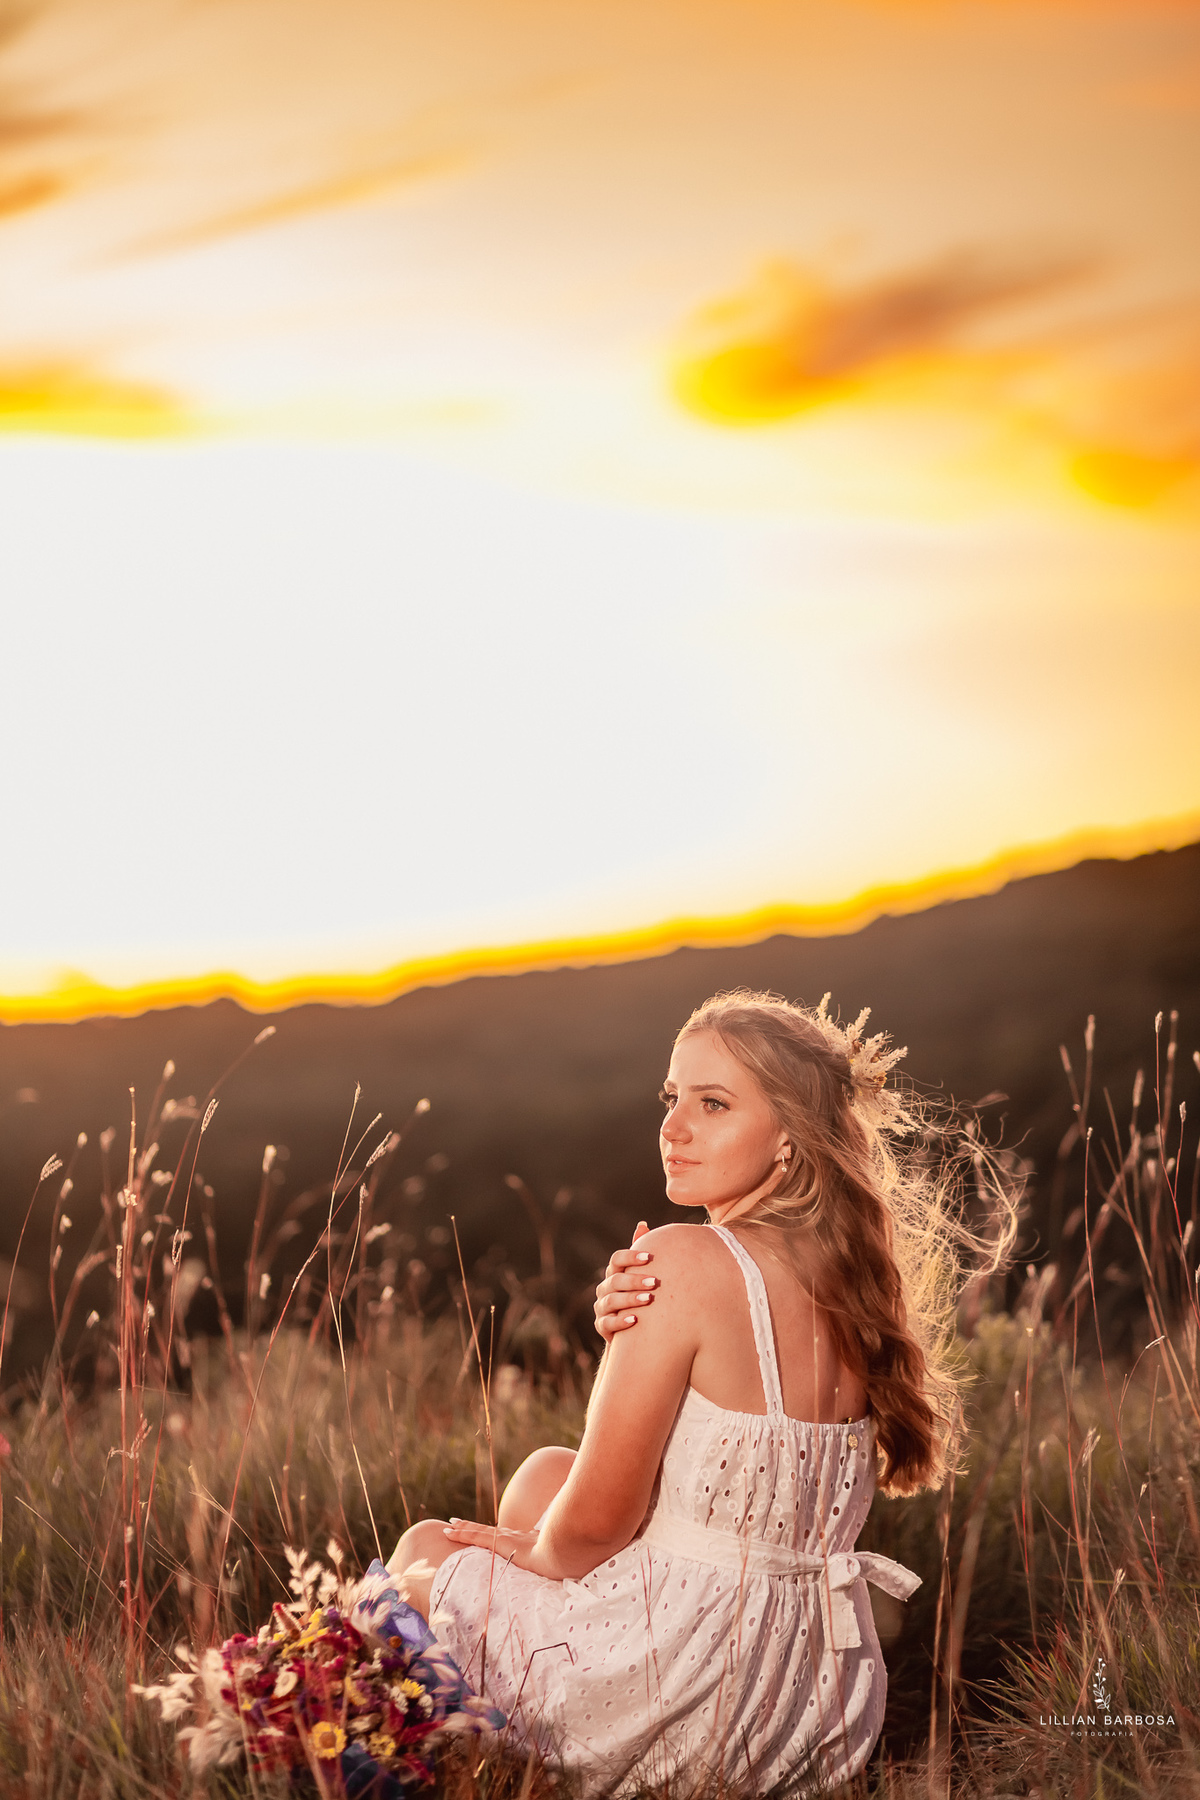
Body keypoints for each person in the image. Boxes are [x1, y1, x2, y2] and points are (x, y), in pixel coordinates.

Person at [387, 990, 1004, 1795]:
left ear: (789, 1136)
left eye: (712, 1104)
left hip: (692, 1689)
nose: (673, 1127)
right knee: (542, 1476)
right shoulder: (851, 1282)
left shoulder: (683, 1262)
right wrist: (630, 1343)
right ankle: (519, 1743)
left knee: (425, 1551)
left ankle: (441, 1757)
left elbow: (592, 1531)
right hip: (811, 1703)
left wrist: (528, 1554)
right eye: (671, 1096)